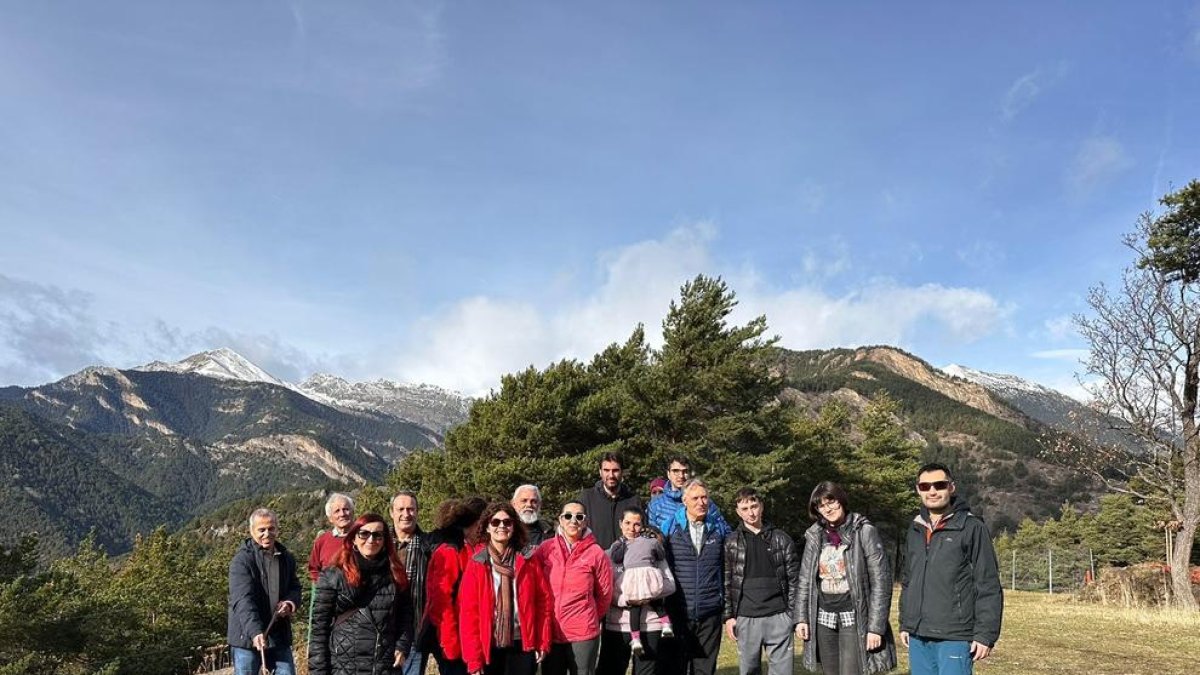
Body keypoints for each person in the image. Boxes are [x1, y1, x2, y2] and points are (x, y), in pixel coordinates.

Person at [899, 464, 1002, 675]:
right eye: (925, 486)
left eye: (939, 485)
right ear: (918, 490)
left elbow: (988, 584)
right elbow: (909, 580)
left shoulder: (972, 528)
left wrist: (985, 635)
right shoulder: (915, 528)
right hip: (919, 634)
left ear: (951, 487)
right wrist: (906, 623)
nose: (932, 491)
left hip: (955, 635)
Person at [795, 482, 896, 675]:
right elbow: (805, 579)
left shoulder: (864, 531)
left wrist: (876, 628)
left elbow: (881, 581)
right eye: (821, 505)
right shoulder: (815, 535)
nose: (828, 508)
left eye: (831, 501)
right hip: (824, 616)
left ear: (841, 500)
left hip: (854, 615)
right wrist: (801, 618)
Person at [309, 513, 413, 675]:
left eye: (378, 535)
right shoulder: (333, 575)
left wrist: (402, 646)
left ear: (385, 540)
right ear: (353, 538)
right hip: (344, 666)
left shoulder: (396, 574)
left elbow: (406, 615)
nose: (371, 540)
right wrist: (319, 671)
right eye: (364, 534)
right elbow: (319, 630)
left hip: (383, 666)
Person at [457, 502, 552, 675]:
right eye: (495, 522)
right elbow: (468, 615)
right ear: (486, 527)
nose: (502, 526)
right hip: (490, 646)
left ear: (514, 526)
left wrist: (542, 640)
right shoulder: (477, 563)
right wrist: (473, 660)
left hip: (522, 643)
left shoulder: (528, 560)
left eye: (507, 522)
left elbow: (543, 602)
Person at [723, 487, 800, 675]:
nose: (751, 512)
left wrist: (792, 614)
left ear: (761, 507)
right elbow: (726, 581)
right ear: (738, 512)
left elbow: (794, 581)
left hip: (778, 616)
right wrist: (729, 616)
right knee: (749, 670)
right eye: (745, 508)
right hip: (746, 617)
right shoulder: (732, 543)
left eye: (754, 506)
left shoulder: (782, 539)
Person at [535, 500, 614, 675]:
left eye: (579, 517)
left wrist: (587, 615)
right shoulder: (545, 549)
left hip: (583, 632)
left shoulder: (596, 553)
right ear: (560, 520)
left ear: (585, 522)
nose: (573, 521)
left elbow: (605, 595)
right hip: (552, 630)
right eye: (568, 516)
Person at [598, 507, 677, 675]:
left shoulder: (652, 551)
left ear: (642, 526)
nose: (631, 528)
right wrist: (626, 600)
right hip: (618, 624)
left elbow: (670, 585)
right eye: (627, 523)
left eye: (636, 524)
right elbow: (605, 590)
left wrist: (648, 594)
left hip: (650, 624)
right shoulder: (609, 554)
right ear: (620, 524)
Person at [227, 508, 302, 675]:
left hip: (278, 634)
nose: (267, 534)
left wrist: (290, 603)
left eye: (271, 528)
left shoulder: (286, 558)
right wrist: (255, 632)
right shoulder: (242, 561)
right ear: (252, 531)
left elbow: (295, 587)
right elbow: (242, 600)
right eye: (261, 530)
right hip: (246, 637)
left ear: (277, 529)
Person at [661, 479, 725, 675]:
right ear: (684, 500)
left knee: (704, 670)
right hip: (678, 611)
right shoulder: (670, 526)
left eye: (705, 497)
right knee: (676, 668)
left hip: (710, 612)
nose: (701, 502)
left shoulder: (719, 528)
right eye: (695, 498)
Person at [427, 497, 490, 675]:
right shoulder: (450, 551)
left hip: (472, 642)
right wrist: (451, 644)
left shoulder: (471, 548)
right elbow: (441, 603)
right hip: (456, 644)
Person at [392, 491, 435, 675]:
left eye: (411, 509)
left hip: (415, 631)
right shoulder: (379, 543)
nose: (406, 514)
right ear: (391, 512)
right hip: (383, 631)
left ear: (417, 512)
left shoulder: (428, 546)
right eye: (400, 509)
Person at [647, 456, 730, 537]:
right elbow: (652, 538)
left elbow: (725, 532)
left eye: (685, 471)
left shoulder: (704, 503)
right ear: (668, 474)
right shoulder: (656, 504)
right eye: (676, 471)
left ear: (690, 474)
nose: (681, 476)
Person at [578, 452, 642, 550]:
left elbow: (641, 533)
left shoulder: (633, 500)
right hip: (595, 561)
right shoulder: (587, 498)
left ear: (622, 472)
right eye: (606, 470)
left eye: (615, 470)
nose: (611, 475)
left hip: (627, 560)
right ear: (600, 472)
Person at [310, 493, 356, 583]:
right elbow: (314, 569)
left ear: (352, 512)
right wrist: (324, 587)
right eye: (337, 511)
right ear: (330, 518)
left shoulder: (364, 537)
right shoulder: (322, 541)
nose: (342, 514)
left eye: (346, 509)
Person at [512, 485, 553, 549]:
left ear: (539, 505)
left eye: (534, 501)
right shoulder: (505, 529)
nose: (529, 505)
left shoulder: (549, 532)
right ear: (514, 504)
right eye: (524, 501)